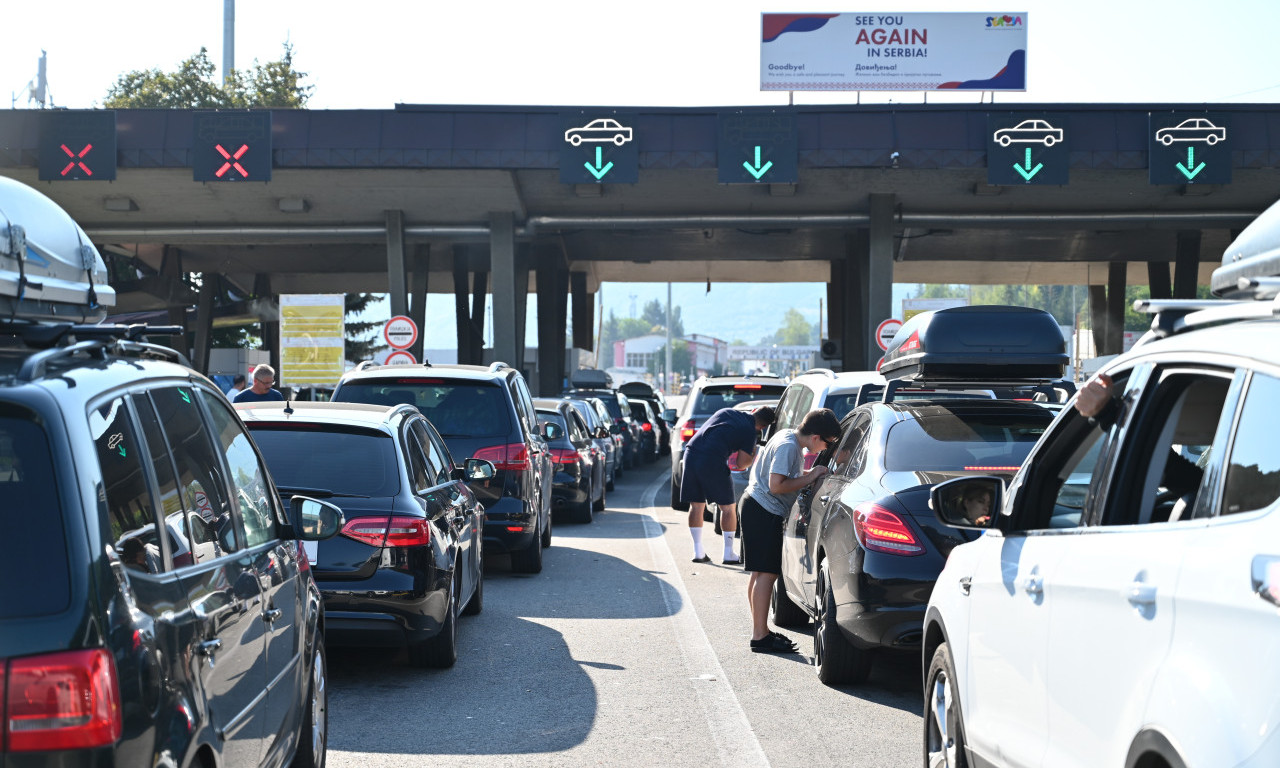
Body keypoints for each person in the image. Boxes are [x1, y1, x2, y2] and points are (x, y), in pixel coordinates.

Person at [740, 408, 841, 654]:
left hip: (756, 506)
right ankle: (760, 636)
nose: (825, 449)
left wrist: (808, 474)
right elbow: (777, 486)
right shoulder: (788, 447)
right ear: (816, 436)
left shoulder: (787, 437)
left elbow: (783, 477)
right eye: (828, 443)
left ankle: (759, 630)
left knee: (759, 574)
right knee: (767, 574)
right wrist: (812, 476)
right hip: (765, 510)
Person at [679, 405, 776, 564]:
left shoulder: (726, 411)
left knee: (696, 505)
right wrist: (754, 452)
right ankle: (728, 553)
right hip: (713, 460)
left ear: (753, 411)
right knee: (728, 508)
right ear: (763, 427)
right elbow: (741, 464)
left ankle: (698, 551)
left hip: (691, 453)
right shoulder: (750, 431)